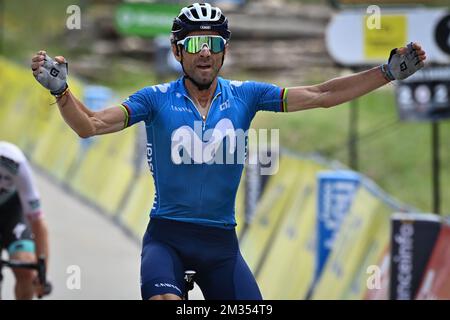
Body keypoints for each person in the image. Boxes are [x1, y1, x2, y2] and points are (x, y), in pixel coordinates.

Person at [30, 3, 426, 300]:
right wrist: (62, 92)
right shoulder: (154, 99)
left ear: (224, 51)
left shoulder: (247, 96)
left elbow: (321, 95)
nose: (205, 52)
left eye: (214, 43)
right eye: (196, 44)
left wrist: (386, 73)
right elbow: (92, 125)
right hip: (167, 240)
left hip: (221, 247)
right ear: (177, 51)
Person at [0, 141, 49, 299]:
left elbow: (39, 226)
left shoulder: (19, 166)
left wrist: (41, 277)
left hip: (13, 212)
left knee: (27, 270)